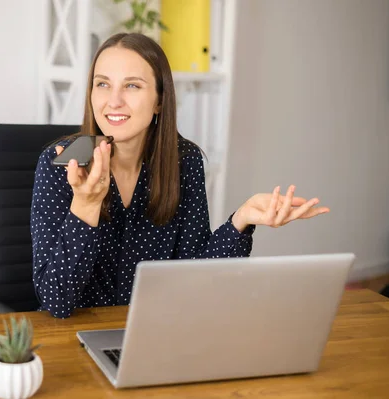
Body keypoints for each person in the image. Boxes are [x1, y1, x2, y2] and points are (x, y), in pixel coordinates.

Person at [30, 33, 329, 318]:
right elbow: (56, 301)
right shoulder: (60, 165)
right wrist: (85, 205)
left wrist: (242, 219)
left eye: (132, 86)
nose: (114, 100)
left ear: (160, 100)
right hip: (75, 340)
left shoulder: (183, 162)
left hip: (156, 331)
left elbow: (196, 274)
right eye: (103, 84)